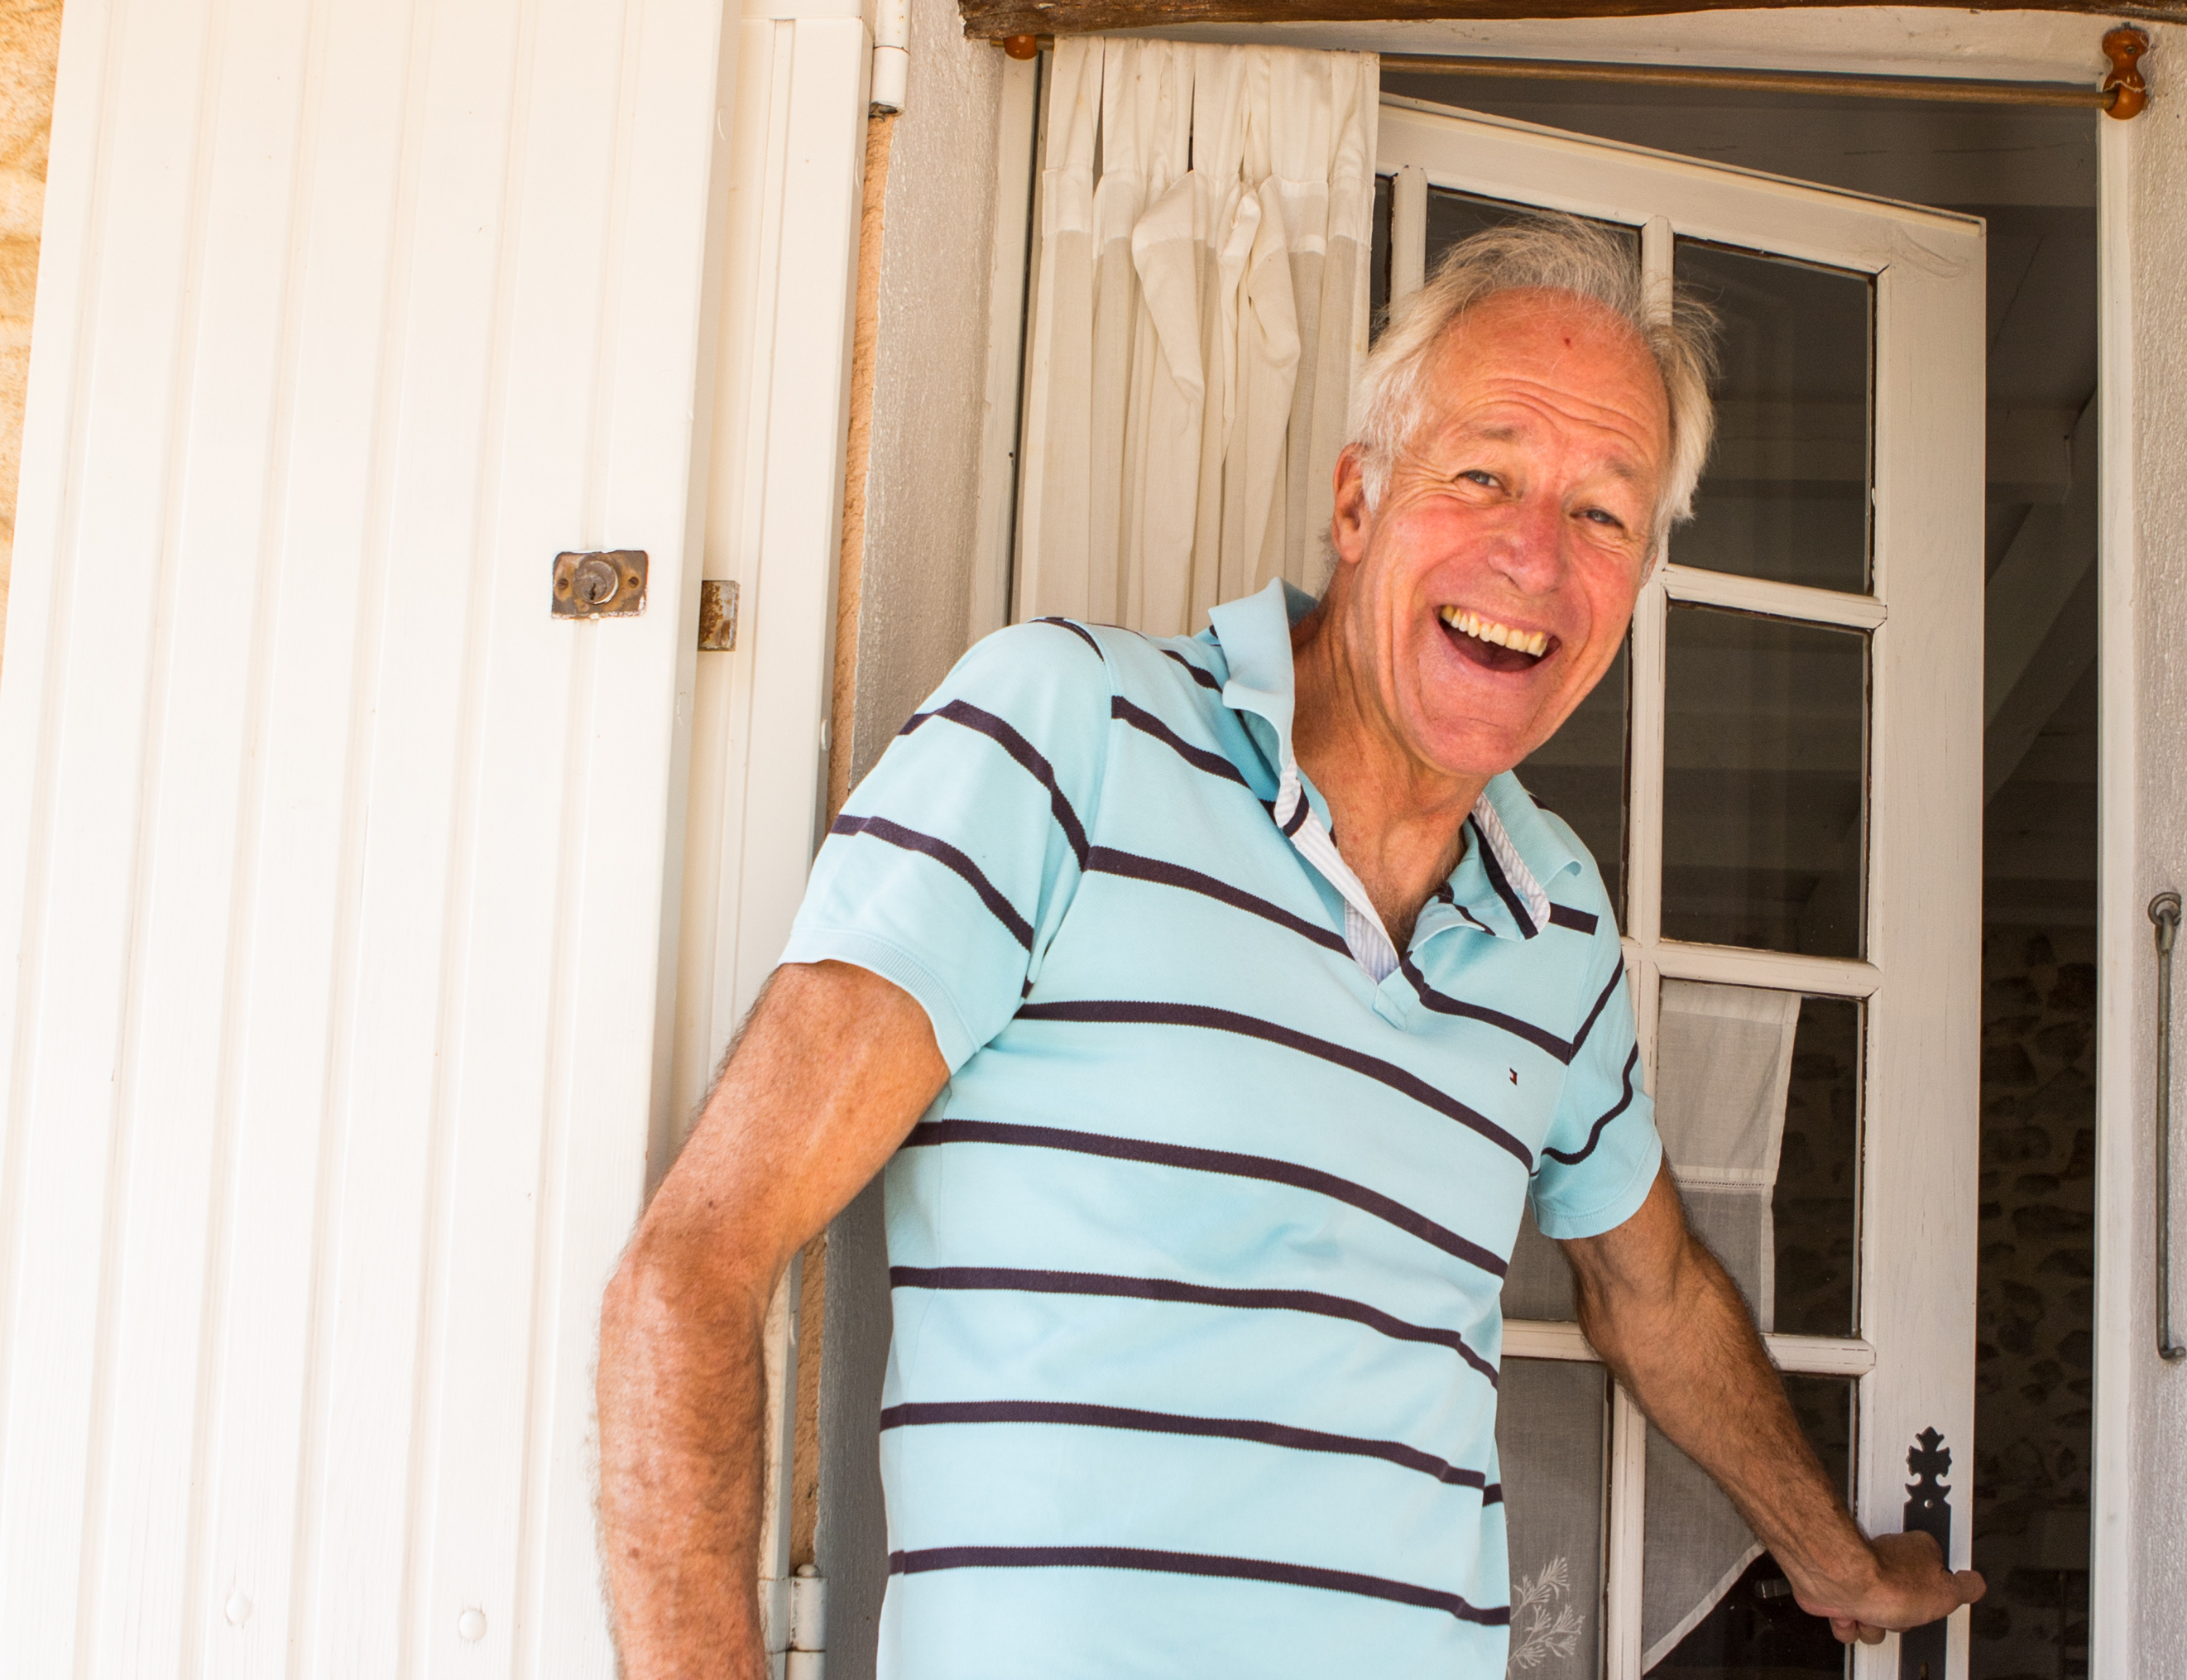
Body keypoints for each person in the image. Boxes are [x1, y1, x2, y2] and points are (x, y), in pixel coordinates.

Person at [597, 218, 1987, 1677]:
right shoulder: (1064, 735)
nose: (1533, 556)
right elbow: (693, 1270)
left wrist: (1840, 1565)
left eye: (1602, 515)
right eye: (1484, 473)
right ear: (1356, 500)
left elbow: (1655, 1295)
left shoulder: (1559, 911)